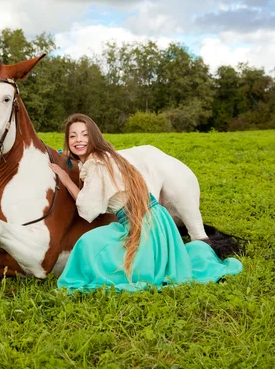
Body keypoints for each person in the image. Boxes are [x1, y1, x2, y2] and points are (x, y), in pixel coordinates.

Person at [48, 114, 242, 293]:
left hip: (144, 225)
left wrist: (65, 178)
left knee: (88, 243)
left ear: (95, 137)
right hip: (154, 219)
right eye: (73, 136)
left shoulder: (96, 164)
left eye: (85, 135)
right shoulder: (105, 156)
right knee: (102, 238)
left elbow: (87, 208)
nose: (79, 140)